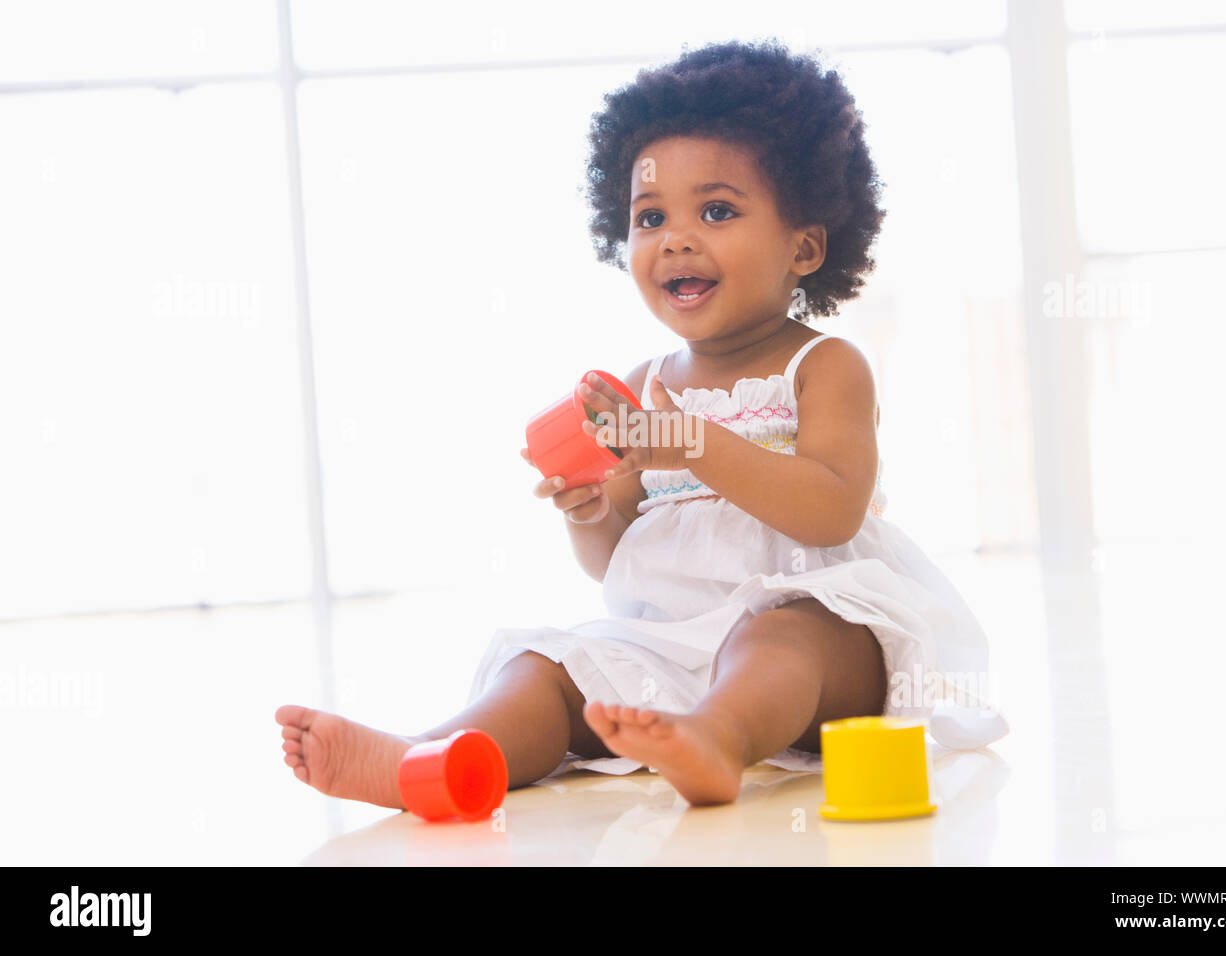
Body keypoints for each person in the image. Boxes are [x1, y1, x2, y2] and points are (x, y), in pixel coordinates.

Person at [276, 39, 1008, 809]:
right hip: (673, 643)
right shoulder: (642, 388)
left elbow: (829, 511)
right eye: (650, 216)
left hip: (823, 636)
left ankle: (718, 738)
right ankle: (439, 757)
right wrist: (591, 509)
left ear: (805, 246)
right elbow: (613, 562)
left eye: (717, 210)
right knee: (550, 669)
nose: (674, 238)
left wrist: (692, 442)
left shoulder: (823, 367)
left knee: (781, 635)